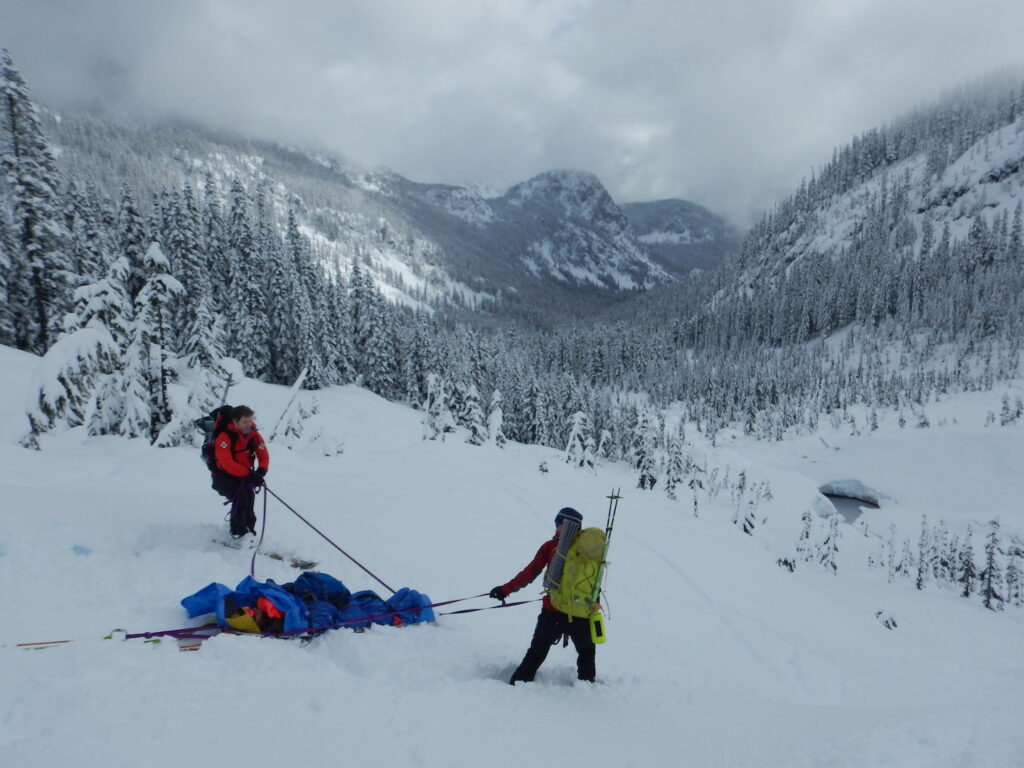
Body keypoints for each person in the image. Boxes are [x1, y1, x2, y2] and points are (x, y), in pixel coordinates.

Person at [489, 507, 596, 685]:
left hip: (552, 610)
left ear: (566, 525)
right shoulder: (589, 551)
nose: (555, 527)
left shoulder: (551, 547)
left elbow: (530, 573)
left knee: (538, 650)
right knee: (586, 650)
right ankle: (587, 685)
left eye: (558, 523)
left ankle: (519, 682)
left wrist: (505, 589)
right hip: (579, 612)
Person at [210, 405, 270, 541]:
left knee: (249, 502)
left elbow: (263, 454)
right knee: (241, 500)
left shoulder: (253, 434)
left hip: (243, 475)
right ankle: (238, 534)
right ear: (235, 422)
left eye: (250, 421)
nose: (248, 425)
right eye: (244, 422)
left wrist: (261, 471)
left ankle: (248, 533)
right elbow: (226, 462)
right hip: (223, 476)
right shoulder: (224, 437)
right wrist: (249, 474)